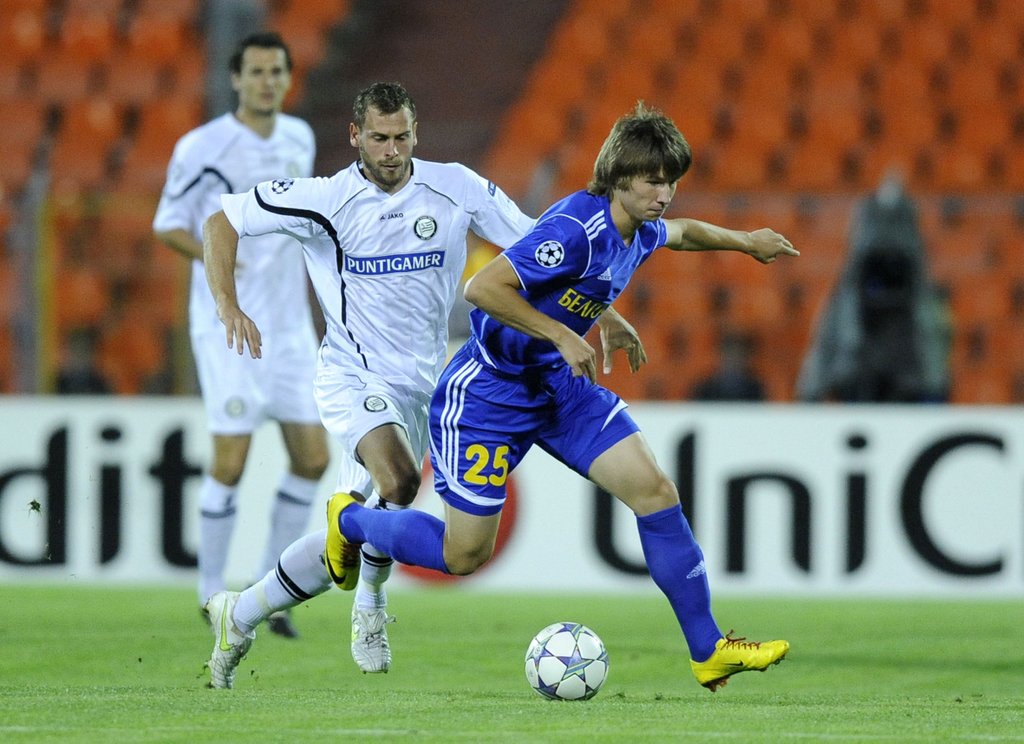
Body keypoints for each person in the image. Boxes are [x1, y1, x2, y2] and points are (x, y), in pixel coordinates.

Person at [321, 102, 797, 693]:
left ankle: (709, 649)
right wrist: (564, 333)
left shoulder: (640, 229)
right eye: (653, 181)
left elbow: (684, 233)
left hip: (558, 389)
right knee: (464, 555)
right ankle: (351, 519)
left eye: (671, 181)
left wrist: (746, 241)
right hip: (489, 396)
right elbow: (483, 288)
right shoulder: (575, 230)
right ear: (619, 178)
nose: (665, 194)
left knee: (655, 492)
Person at [199, 81, 648, 688]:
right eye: (378, 138)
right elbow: (221, 220)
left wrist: (606, 311)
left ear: (417, 134)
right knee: (401, 482)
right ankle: (371, 606)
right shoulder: (324, 199)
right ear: (355, 136)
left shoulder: (455, 187)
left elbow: (540, 246)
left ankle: (240, 613)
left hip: (426, 385)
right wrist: (228, 306)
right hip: (352, 374)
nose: (391, 150)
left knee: (345, 540)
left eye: (401, 137)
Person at [153, 32, 329, 639]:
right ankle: (209, 594)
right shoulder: (203, 146)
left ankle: (269, 591)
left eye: (276, 71)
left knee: (313, 457)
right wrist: (221, 259)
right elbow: (168, 224)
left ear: (287, 77)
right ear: (236, 79)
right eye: (256, 71)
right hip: (225, 325)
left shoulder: (299, 138)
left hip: (290, 327)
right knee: (231, 461)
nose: (267, 81)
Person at [796, 170, 950, 402]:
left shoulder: (919, 294)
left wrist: (934, 385)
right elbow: (827, 336)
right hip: (859, 372)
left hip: (905, 373)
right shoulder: (849, 293)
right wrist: (812, 388)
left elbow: (932, 338)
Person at [690, 330, 765, 401]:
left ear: (745, 358)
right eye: (729, 355)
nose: (733, 360)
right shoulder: (705, 389)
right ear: (721, 356)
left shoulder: (754, 388)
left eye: (737, 355)